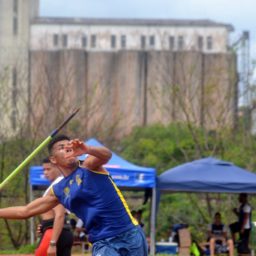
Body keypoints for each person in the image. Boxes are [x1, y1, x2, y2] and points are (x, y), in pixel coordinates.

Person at [0, 135, 148, 256]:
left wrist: (88, 149)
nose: (68, 148)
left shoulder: (88, 165)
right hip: (103, 242)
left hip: (130, 233)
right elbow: (25, 211)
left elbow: (106, 155)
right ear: (53, 159)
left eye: (69, 146)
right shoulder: (58, 190)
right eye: (62, 148)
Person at [35, 157, 73, 256]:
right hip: (56, 230)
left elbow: (60, 215)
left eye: (48, 169)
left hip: (53, 232)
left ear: (57, 167)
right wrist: (44, 225)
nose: (45, 173)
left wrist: (52, 243)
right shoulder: (59, 184)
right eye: (44, 170)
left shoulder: (58, 185)